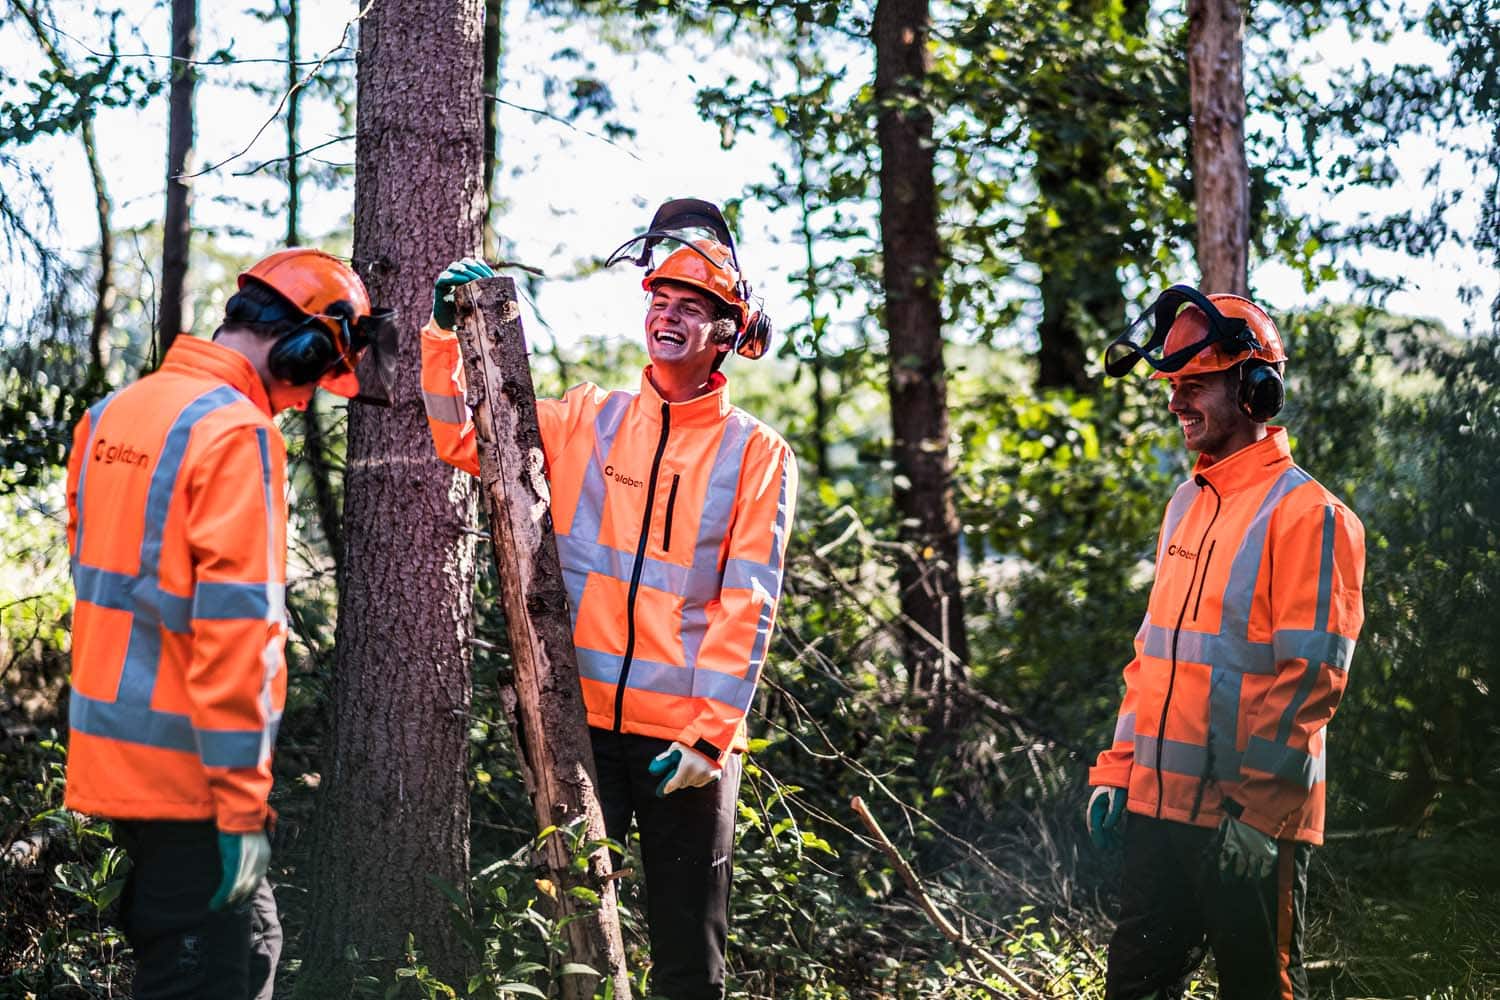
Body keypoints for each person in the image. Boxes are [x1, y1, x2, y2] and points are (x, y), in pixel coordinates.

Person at [420, 201, 797, 1000]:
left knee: (688, 964)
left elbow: (748, 603)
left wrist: (709, 737)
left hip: (682, 751)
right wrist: (446, 341)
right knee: (575, 946)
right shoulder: (590, 417)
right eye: (660, 302)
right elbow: (467, 440)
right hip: (579, 730)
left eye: (691, 308)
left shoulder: (756, 454)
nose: (669, 317)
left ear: (726, 334)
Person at [64, 248, 391, 1000]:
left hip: (119, 759)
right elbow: (236, 636)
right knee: (213, 977)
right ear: (302, 345)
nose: (307, 400)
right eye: (313, 375)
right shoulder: (236, 433)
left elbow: (106, 576)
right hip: (192, 776)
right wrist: (243, 805)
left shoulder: (112, 415)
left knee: (236, 958)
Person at [1088, 287, 1366, 1000]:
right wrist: (1119, 770)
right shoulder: (1186, 503)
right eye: (1174, 387)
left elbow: (1311, 681)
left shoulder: (1311, 514)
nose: (1179, 403)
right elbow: (1154, 655)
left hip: (1246, 827)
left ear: (1255, 388)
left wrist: (1258, 816)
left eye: (1196, 384)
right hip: (1157, 810)